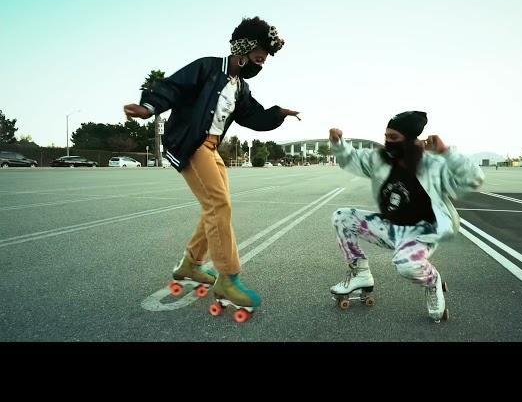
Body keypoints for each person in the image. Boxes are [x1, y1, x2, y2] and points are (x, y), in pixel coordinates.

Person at [123, 16, 300, 314]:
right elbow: (174, 87)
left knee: (218, 206)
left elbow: (253, 116)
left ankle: (190, 265)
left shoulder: (240, 88)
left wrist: (278, 113)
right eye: (259, 58)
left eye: (264, 61)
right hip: (192, 144)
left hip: (213, 148)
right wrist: (148, 107)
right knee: (219, 206)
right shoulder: (207, 67)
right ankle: (228, 279)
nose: (261, 64)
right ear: (243, 49)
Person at [328, 111, 484, 321]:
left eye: (394, 138)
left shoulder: (432, 165)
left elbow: (473, 179)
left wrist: (446, 152)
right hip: (390, 227)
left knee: (406, 266)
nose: (387, 142)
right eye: (386, 136)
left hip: (421, 233)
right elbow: (352, 158)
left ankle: (432, 281)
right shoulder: (381, 159)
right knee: (341, 217)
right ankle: (361, 274)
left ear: (410, 140)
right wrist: (338, 143)